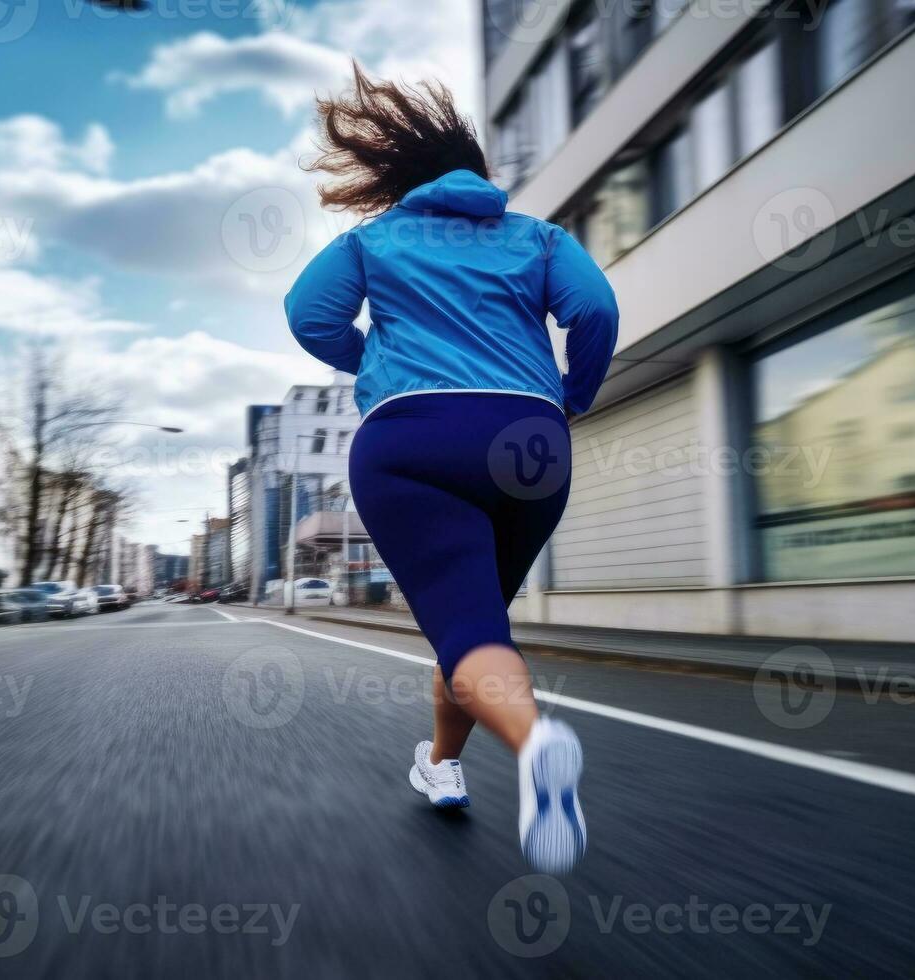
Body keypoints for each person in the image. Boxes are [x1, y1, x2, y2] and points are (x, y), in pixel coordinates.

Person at [284, 65, 618, 874]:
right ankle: (442, 765)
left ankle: (536, 743)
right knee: (471, 625)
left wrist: (372, 361)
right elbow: (596, 310)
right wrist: (570, 395)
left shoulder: (374, 238)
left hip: (415, 439)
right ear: (478, 174)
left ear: (399, 175)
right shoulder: (538, 236)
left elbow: (308, 315)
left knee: (465, 628)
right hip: (530, 444)